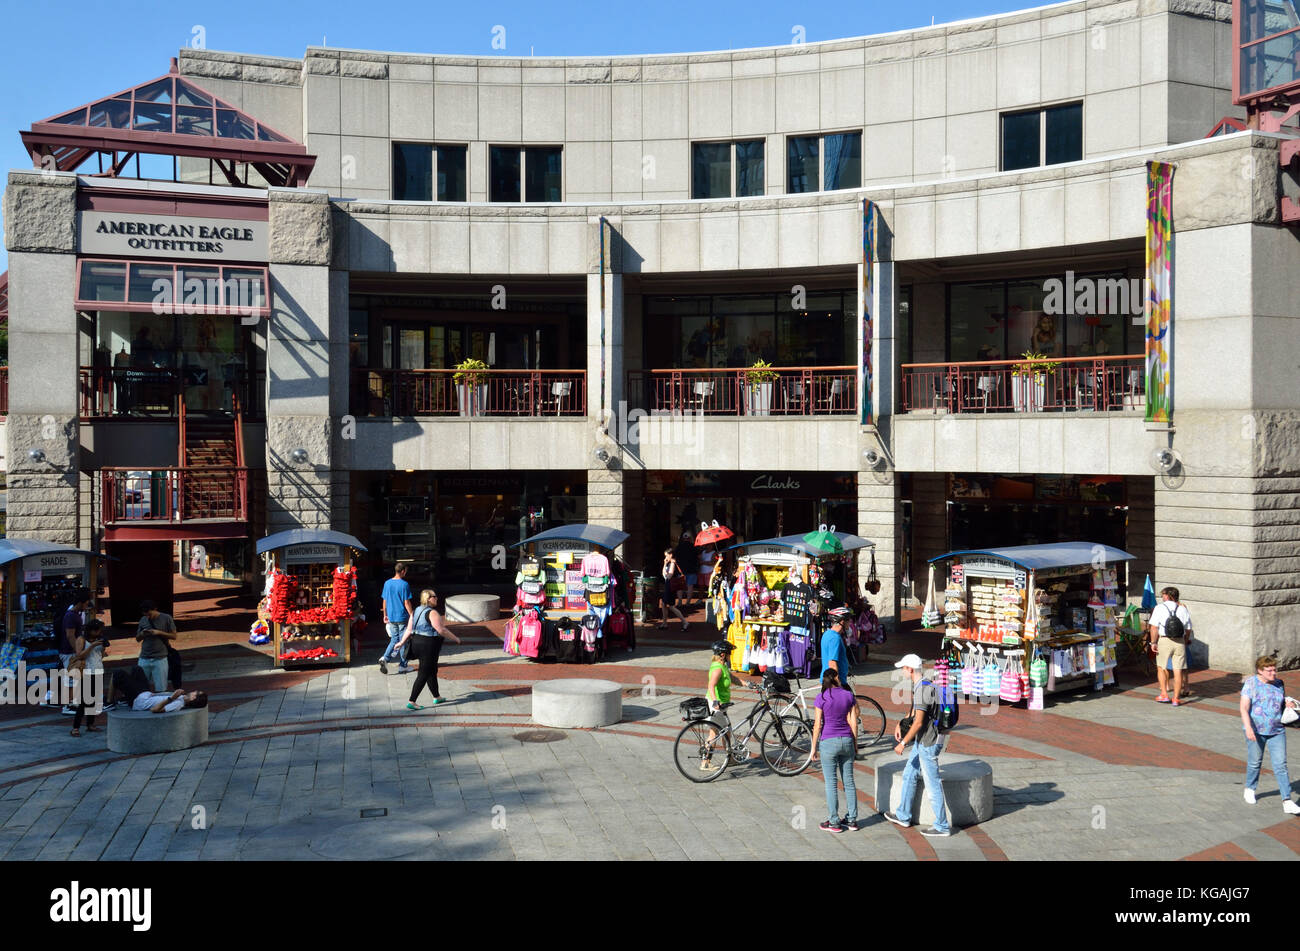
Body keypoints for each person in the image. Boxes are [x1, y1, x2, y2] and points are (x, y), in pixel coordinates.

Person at [883, 653, 951, 837]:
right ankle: (903, 815)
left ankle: (942, 826)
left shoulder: (922, 690)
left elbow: (919, 722)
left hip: (928, 743)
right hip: (923, 741)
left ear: (910, 669)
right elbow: (914, 714)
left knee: (932, 783)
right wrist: (900, 723)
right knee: (909, 773)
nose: (902, 671)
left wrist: (903, 743)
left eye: (903, 668)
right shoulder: (923, 684)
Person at [1240, 655, 1300, 815]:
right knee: (1255, 762)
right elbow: (1244, 708)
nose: (1274, 673)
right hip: (1256, 731)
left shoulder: (1279, 684)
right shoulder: (1251, 684)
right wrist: (1248, 728)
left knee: (1281, 765)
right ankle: (1250, 788)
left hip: (1277, 730)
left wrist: (1288, 704)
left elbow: (1279, 704)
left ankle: (1287, 800)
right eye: (1270, 670)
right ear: (1260, 671)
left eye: (1275, 669)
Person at [810, 668, 860, 833]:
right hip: (846, 740)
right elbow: (853, 722)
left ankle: (834, 822)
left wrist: (813, 749)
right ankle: (852, 820)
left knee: (831, 783)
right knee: (849, 781)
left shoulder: (821, 698)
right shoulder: (848, 696)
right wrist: (855, 743)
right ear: (836, 678)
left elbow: (817, 725)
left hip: (828, 742)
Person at [395, 589, 462, 710]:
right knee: (424, 673)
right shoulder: (432, 613)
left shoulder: (415, 611)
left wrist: (401, 642)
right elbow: (441, 630)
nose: (437, 598)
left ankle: (437, 696)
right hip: (428, 645)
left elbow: (409, 630)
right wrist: (456, 638)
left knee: (431, 670)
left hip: (416, 643)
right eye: (434, 596)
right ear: (428, 598)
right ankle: (412, 701)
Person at [701, 640, 754, 769]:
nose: (731, 656)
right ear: (723, 654)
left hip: (721, 705)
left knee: (726, 732)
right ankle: (705, 763)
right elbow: (711, 686)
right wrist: (715, 701)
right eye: (729, 653)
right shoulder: (718, 669)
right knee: (714, 733)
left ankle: (729, 758)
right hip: (716, 706)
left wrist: (748, 684)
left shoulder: (722, 665)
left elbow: (733, 679)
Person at [1148, 586, 1192, 705]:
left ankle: (1164, 694)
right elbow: (1188, 629)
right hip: (1179, 641)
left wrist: (1153, 642)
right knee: (1178, 670)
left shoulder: (1159, 608)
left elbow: (1154, 627)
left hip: (1164, 640)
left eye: (1163, 595)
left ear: (1168, 596)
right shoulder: (1182, 609)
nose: (1162, 597)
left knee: (1161, 667)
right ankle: (1176, 698)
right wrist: (1186, 640)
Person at [56, 588, 94, 715]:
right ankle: (68, 704)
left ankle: (71, 702)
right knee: (72, 679)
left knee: (74, 678)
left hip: (69, 651)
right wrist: (78, 653)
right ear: (82, 602)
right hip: (69, 652)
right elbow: (70, 635)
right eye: (87, 603)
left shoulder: (74, 615)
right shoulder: (72, 616)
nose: (87, 606)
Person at [68, 619, 108, 737]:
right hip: (87, 672)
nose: (100, 633)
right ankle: (76, 727)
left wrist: (103, 647)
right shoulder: (81, 639)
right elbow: (80, 655)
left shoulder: (99, 639)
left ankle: (90, 724)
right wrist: (92, 646)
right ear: (91, 630)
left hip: (99, 670)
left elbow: (101, 655)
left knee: (94, 700)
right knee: (85, 700)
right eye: (98, 631)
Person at [379, 563, 414, 674]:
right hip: (402, 615)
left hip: (391, 616)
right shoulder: (404, 585)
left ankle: (385, 658)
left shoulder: (387, 583)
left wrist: (385, 614)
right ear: (403, 571)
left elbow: (384, 600)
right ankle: (403, 665)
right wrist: (412, 614)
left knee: (394, 639)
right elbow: (406, 602)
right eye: (406, 571)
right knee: (404, 640)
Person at [135, 600, 178, 692]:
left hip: (160, 658)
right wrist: (142, 634)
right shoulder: (143, 620)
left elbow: (174, 636)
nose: (147, 616)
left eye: (149, 614)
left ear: (155, 609)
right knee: (140, 687)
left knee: (161, 688)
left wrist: (159, 632)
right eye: (145, 614)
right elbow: (138, 639)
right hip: (144, 657)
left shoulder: (166, 618)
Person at [819, 606, 853, 685]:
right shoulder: (835, 638)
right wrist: (837, 684)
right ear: (842, 621)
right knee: (849, 697)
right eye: (848, 620)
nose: (850, 622)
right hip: (833, 682)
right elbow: (832, 663)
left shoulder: (827, 634)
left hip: (829, 680)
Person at [658, 548, 687, 632]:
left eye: (666, 555)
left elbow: (669, 576)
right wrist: (664, 564)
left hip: (671, 586)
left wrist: (666, 573)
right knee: (663, 604)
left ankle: (685, 622)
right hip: (667, 585)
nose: (666, 557)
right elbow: (664, 574)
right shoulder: (668, 563)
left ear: (671, 555)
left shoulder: (673, 563)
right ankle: (664, 623)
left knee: (671, 606)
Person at [131, 688, 208, 713]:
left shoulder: (178, 704)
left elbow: (155, 709)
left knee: (121, 674)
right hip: (146, 694)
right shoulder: (181, 697)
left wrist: (172, 698)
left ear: (194, 698)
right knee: (137, 670)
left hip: (139, 701)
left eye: (196, 692)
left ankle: (125, 700)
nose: (194, 691)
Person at [675, 532, 700, 606]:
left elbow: (675, 558)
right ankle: (688, 602)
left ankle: (679, 601)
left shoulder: (678, 547)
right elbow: (698, 558)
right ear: (690, 539)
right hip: (692, 569)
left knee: (680, 586)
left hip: (680, 570)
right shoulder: (693, 547)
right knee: (690, 586)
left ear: (683, 539)